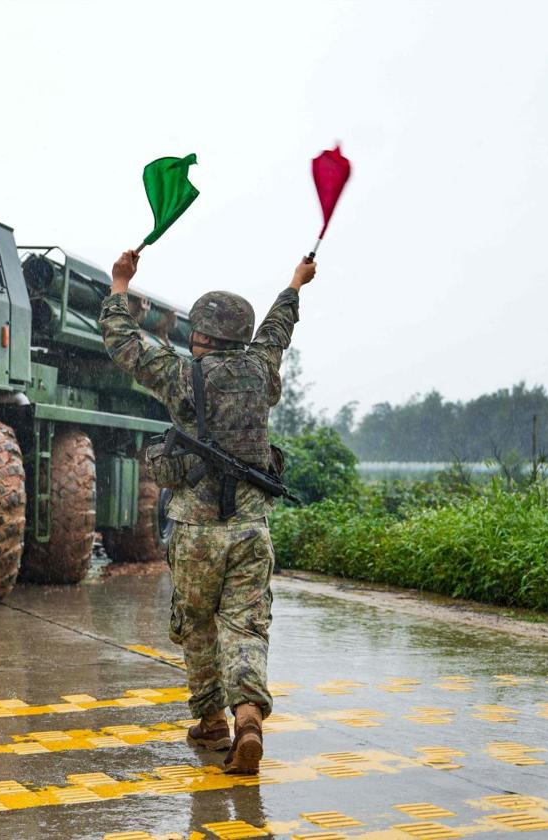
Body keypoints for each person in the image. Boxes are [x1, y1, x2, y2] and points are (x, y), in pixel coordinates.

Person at [98, 249, 316, 774]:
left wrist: (119, 284)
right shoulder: (260, 369)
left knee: (195, 622)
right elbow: (277, 329)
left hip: (195, 531)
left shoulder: (179, 374)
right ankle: (248, 720)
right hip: (250, 530)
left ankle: (211, 720)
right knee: (246, 627)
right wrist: (295, 282)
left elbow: (123, 343)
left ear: (202, 334)